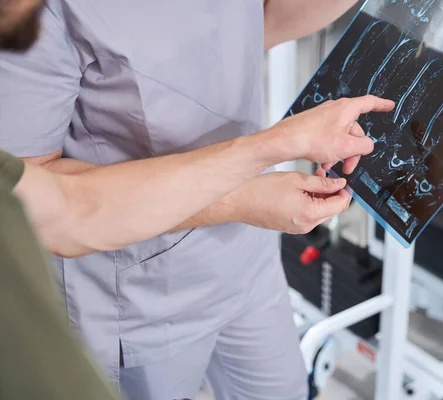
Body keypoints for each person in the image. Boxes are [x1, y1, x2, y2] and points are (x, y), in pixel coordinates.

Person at [0, 1, 383, 399]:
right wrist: (255, 173)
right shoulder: (39, 13)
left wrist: (256, 181)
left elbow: (258, 22)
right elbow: (36, 195)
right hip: (140, 292)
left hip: (248, 255)